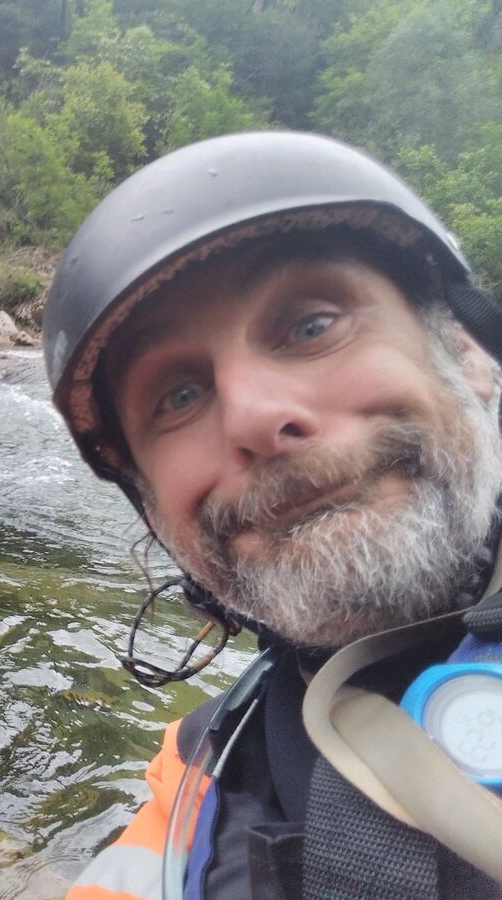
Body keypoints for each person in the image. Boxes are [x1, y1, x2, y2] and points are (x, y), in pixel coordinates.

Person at [43, 132, 502, 899]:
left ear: (467, 352)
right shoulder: (193, 787)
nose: (254, 416)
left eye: (312, 325)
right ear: (153, 511)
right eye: (179, 396)